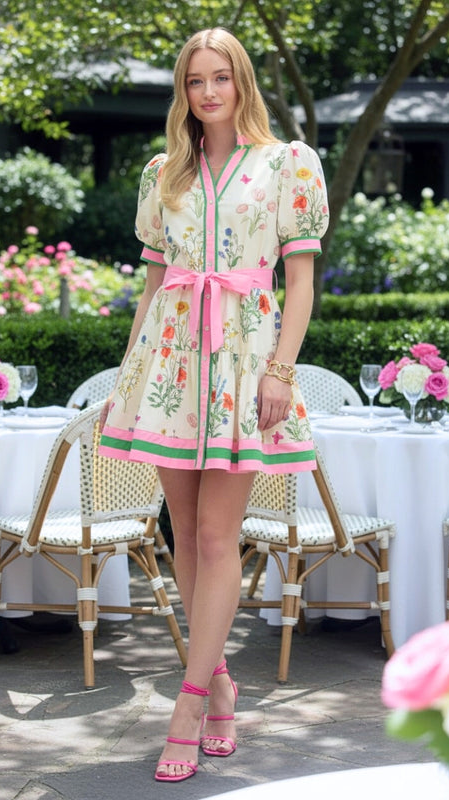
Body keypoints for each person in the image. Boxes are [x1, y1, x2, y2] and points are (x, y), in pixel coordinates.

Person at [98, 27, 329, 783]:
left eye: (220, 77)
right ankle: (221, 685)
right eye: (194, 80)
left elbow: (298, 281)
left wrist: (280, 373)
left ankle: (189, 702)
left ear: (242, 82)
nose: (207, 92)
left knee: (215, 536)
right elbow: (152, 285)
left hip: (243, 361)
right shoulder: (163, 171)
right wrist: (127, 373)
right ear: (183, 90)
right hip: (168, 366)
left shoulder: (286, 163)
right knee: (183, 536)